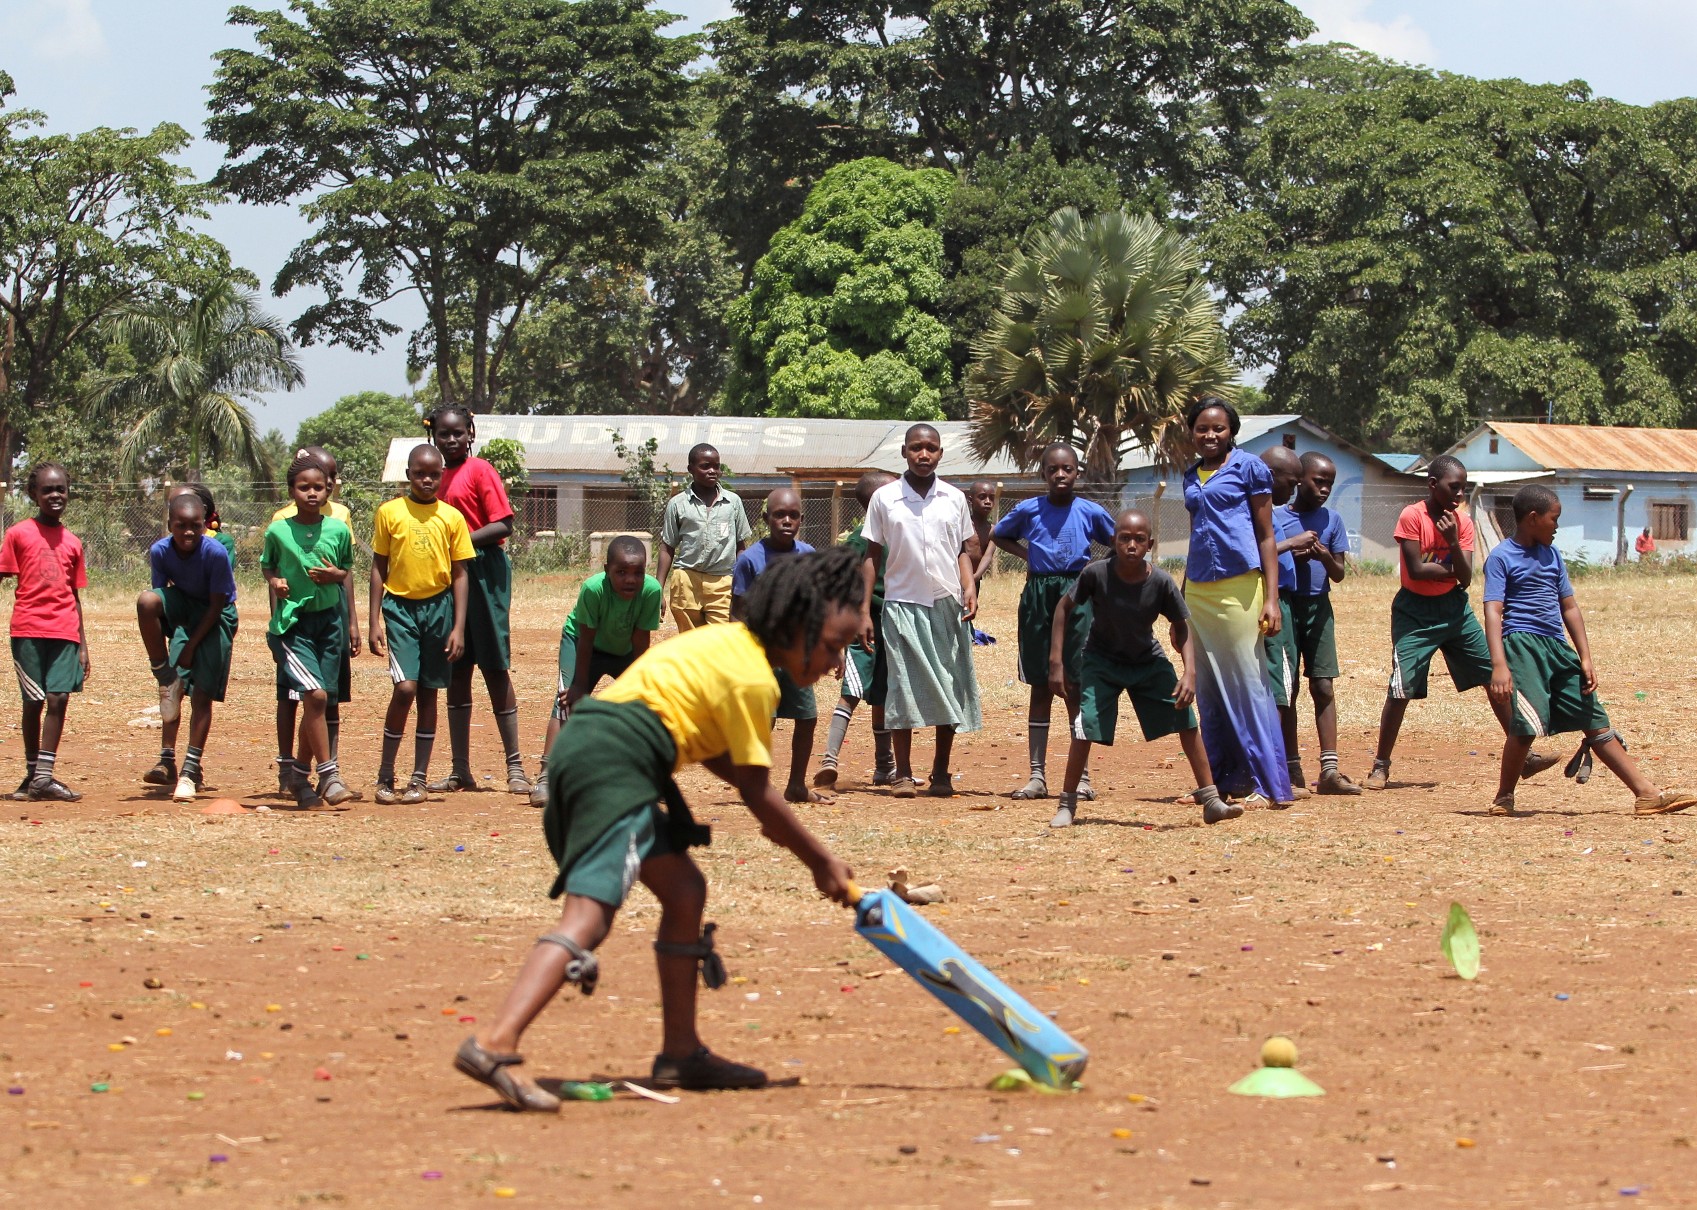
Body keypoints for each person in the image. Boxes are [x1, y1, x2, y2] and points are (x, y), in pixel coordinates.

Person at [454, 547, 862, 1110]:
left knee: (684, 889)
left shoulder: (726, 646)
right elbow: (756, 792)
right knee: (587, 915)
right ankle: (495, 1041)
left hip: (600, 751)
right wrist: (822, 863)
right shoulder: (753, 681)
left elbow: (714, 750)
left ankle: (680, 1052)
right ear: (797, 624)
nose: (833, 661)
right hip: (614, 762)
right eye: (833, 645)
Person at [1483, 486, 1695, 816]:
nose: (1557, 526)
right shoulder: (1501, 557)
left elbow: (1569, 607)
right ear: (1533, 518)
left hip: (1557, 648)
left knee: (1596, 721)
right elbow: (1494, 611)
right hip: (1522, 646)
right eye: (1555, 519)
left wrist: (1585, 656)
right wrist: (1499, 664)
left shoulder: (1552, 556)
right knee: (1526, 727)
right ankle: (1504, 797)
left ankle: (1646, 794)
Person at [1363, 456, 1554, 790]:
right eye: (1454, 486)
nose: (1460, 492)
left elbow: (1465, 578)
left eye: (1464, 486)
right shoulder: (1413, 516)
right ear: (1433, 484)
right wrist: (1453, 567)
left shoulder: (1462, 522)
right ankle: (1380, 766)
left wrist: (1452, 544)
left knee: (1495, 679)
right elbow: (1417, 570)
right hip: (1415, 612)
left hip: (1455, 610)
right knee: (1401, 687)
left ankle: (1525, 755)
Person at [1047, 509, 1238, 828]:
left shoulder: (1161, 581)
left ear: (1150, 544)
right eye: (1124, 538)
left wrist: (1189, 671)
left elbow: (1182, 627)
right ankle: (1067, 806)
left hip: (1147, 661)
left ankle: (1211, 800)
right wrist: (1055, 662)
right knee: (1085, 725)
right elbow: (1062, 609)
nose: (1131, 545)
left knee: (1186, 719)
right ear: (1113, 540)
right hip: (1101, 661)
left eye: (1138, 539)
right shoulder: (1096, 574)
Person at [1181, 398, 1292, 808]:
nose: (1210, 435)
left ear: (1232, 431)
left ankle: (1269, 784)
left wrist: (1272, 599)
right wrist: (1182, 592)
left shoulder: (1249, 468)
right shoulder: (1190, 475)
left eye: (1219, 428)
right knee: (1208, 688)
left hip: (1242, 589)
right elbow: (1197, 533)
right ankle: (1222, 782)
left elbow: (1266, 536)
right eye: (1201, 429)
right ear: (1191, 432)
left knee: (1248, 684)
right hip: (1199, 592)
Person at [859, 424, 982, 797]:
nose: (923, 455)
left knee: (949, 684)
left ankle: (941, 773)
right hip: (902, 605)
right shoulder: (885, 499)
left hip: (947, 604)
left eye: (931, 448)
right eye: (916, 448)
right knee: (902, 688)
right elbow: (871, 555)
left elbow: (962, 549)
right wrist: (864, 610)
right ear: (904, 452)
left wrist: (969, 585)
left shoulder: (954, 498)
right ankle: (903, 775)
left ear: (940, 453)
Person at [990, 443, 1115, 801]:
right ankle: (1037, 775)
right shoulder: (1029, 510)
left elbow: (1118, 543)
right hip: (1038, 595)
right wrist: (1028, 553)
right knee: (1041, 684)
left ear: (1078, 472)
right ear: (1042, 473)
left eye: (1068, 469)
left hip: (1077, 593)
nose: (1061, 475)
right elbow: (999, 534)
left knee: (1076, 683)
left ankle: (1083, 776)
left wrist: (1096, 572)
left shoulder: (1090, 511)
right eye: (1053, 469)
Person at [426, 406, 531, 796]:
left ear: (470, 433)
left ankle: (515, 768)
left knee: (494, 664)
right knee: (457, 666)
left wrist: (460, 542)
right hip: (445, 576)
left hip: (483, 573)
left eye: (457, 433)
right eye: (443, 434)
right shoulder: (430, 476)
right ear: (433, 436)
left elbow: (504, 523)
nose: (450, 440)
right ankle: (459, 770)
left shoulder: (480, 470)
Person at [368, 445, 472, 805]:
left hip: (439, 609)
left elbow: (460, 574)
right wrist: (373, 620)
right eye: (419, 473)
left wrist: (458, 626)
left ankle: (418, 779)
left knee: (429, 692)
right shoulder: (390, 512)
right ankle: (385, 775)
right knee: (406, 688)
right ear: (408, 473)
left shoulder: (452, 518)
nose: (426, 480)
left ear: (442, 475)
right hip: (400, 609)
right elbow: (379, 566)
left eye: (433, 474)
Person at [529, 535, 662, 809]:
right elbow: (586, 639)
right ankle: (547, 776)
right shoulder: (593, 589)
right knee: (566, 701)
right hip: (581, 643)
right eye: (621, 572)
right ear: (606, 570)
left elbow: (641, 642)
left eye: (638, 572)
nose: (630, 579)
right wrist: (579, 685)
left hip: (624, 648)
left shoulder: (651, 591)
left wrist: (640, 687)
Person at [261, 453, 356, 810]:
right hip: (293, 626)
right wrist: (276, 583)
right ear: (291, 492)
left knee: (321, 701)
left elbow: (345, 569)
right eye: (304, 488)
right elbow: (267, 565)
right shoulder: (278, 530)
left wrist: (335, 577)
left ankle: (300, 776)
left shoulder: (338, 529)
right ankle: (329, 774)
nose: (312, 493)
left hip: (329, 622)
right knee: (313, 696)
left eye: (318, 487)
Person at [137, 489, 239, 803]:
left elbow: (216, 605)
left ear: (205, 523)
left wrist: (192, 646)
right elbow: (161, 596)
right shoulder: (160, 551)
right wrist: (172, 648)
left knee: (202, 694)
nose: (188, 532)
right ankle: (162, 673)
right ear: (170, 525)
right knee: (146, 601)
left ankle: (190, 771)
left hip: (215, 615)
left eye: (195, 525)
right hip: (186, 609)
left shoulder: (215, 552)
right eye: (181, 526)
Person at [0, 463, 88, 802]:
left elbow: (74, 595)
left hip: (64, 631)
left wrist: (83, 645)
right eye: (48, 490)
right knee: (33, 701)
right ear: (33, 494)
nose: (55, 496)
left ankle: (43, 778)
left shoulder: (73, 542)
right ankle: (33, 773)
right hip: (27, 630)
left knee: (59, 697)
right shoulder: (18, 534)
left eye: (61, 489)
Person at [732, 488, 821, 802]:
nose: (786, 521)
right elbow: (738, 611)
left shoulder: (808, 555)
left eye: (793, 515)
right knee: (763, 719)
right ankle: (754, 785)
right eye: (779, 515)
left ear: (801, 519)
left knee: (807, 716)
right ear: (766, 518)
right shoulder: (749, 560)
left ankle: (797, 785)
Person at [1282, 453, 1361, 795]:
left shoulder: (1332, 520)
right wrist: (1290, 551)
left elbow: (1339, 573)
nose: (1325, 488)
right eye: (1318, 481)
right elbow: (1263, 555)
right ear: (1299, 478)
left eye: (1330, 482)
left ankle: (1330, 770)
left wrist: (1322, 554)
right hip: (1284, 605)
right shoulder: (1277, 517)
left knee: (1323, 686)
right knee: (1286, 689)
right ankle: (1290, 769)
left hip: (1319, 607)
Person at [815, 470, 897, 790]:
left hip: (896, 623)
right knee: (852, 691)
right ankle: (830, 759)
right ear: (878, 503)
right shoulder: (857, 541)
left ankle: (884, 767)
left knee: (885, 695)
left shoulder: (903, 535)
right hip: (865, 626)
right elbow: (834, 588)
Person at [656, 442, 752, 633]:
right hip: (686, 581)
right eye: (705, 466)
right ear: (691, 469)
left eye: (716, 466)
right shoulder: (678, 504)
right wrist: (658, 589)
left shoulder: (733, 503)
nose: (712, 471)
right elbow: (667, 547)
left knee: (721, 641)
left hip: (723, 582)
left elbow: (741, 545)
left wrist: (744, 582)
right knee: (690, 643)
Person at [1259, 447, 1308, 798]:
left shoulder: (1268, 510)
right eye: (1290, 482)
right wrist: (1292, 542)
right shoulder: (1255, 509)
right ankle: (1271, 773)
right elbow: (1254, 550)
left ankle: (1277, 767)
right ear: (1270, 474)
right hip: (1274, 606)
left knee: (1280, 687)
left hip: (1281, 601)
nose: (1294, 489)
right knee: (1279, 686)